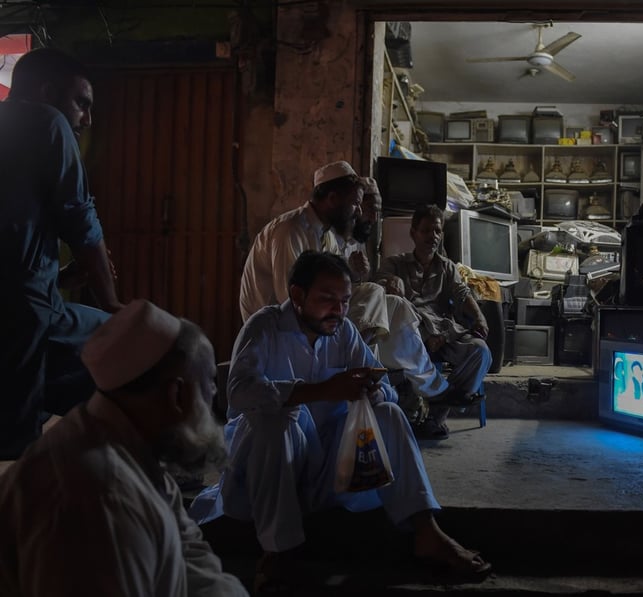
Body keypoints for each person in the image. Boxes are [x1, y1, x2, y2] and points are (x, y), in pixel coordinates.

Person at [189, 251, 491, 592]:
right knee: (281, 420)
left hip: (325, 469)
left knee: (389, 413)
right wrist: (319, 391)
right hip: (263, 471)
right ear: (297, 295)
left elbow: (387, 394)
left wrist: (372, 390)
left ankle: (426, 532)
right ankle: (278, 550)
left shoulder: (344, 331)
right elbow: (239, 394)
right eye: (327, 299)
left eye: (345, 301)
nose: (339, 310)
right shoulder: (265, 326)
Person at [0, 299, 246, 596]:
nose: (213, 399)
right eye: (209, 385)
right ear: (177, 394)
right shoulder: (100, 499)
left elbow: (190, 556)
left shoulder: (134, 450)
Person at [239, 162, 461, 411]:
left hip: (315, 312)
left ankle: (432, 388)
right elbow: (290, 300)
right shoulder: (290, 231)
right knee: (374, 297)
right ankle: (366, 375)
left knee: (395, 306)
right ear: (332, 199)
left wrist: (358, 277)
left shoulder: (327, 234)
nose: (358, 212)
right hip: (282, 322)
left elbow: (337, 288)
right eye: (355, 203)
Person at [0, 47, 124, 459]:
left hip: (27, 300)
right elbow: (80, 219)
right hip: (27, 310)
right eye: (81, 103)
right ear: (47, 90)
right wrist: (111, 302)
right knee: (128, 349)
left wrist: (58, 278)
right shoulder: (48, 123)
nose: (86, 120)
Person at [378, 204, 493, 440]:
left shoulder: (447, 267)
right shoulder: (394, 263)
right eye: (427, 230)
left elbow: (462, 294)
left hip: (443, 334)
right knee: (401, 343)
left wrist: (479, 317)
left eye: (437, 231)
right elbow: (378, 289)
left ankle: (435, 417)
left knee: (480, 351)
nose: (433, 237)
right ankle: (413, 413)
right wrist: (389, 282)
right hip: (413, 338)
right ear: (413, 233)